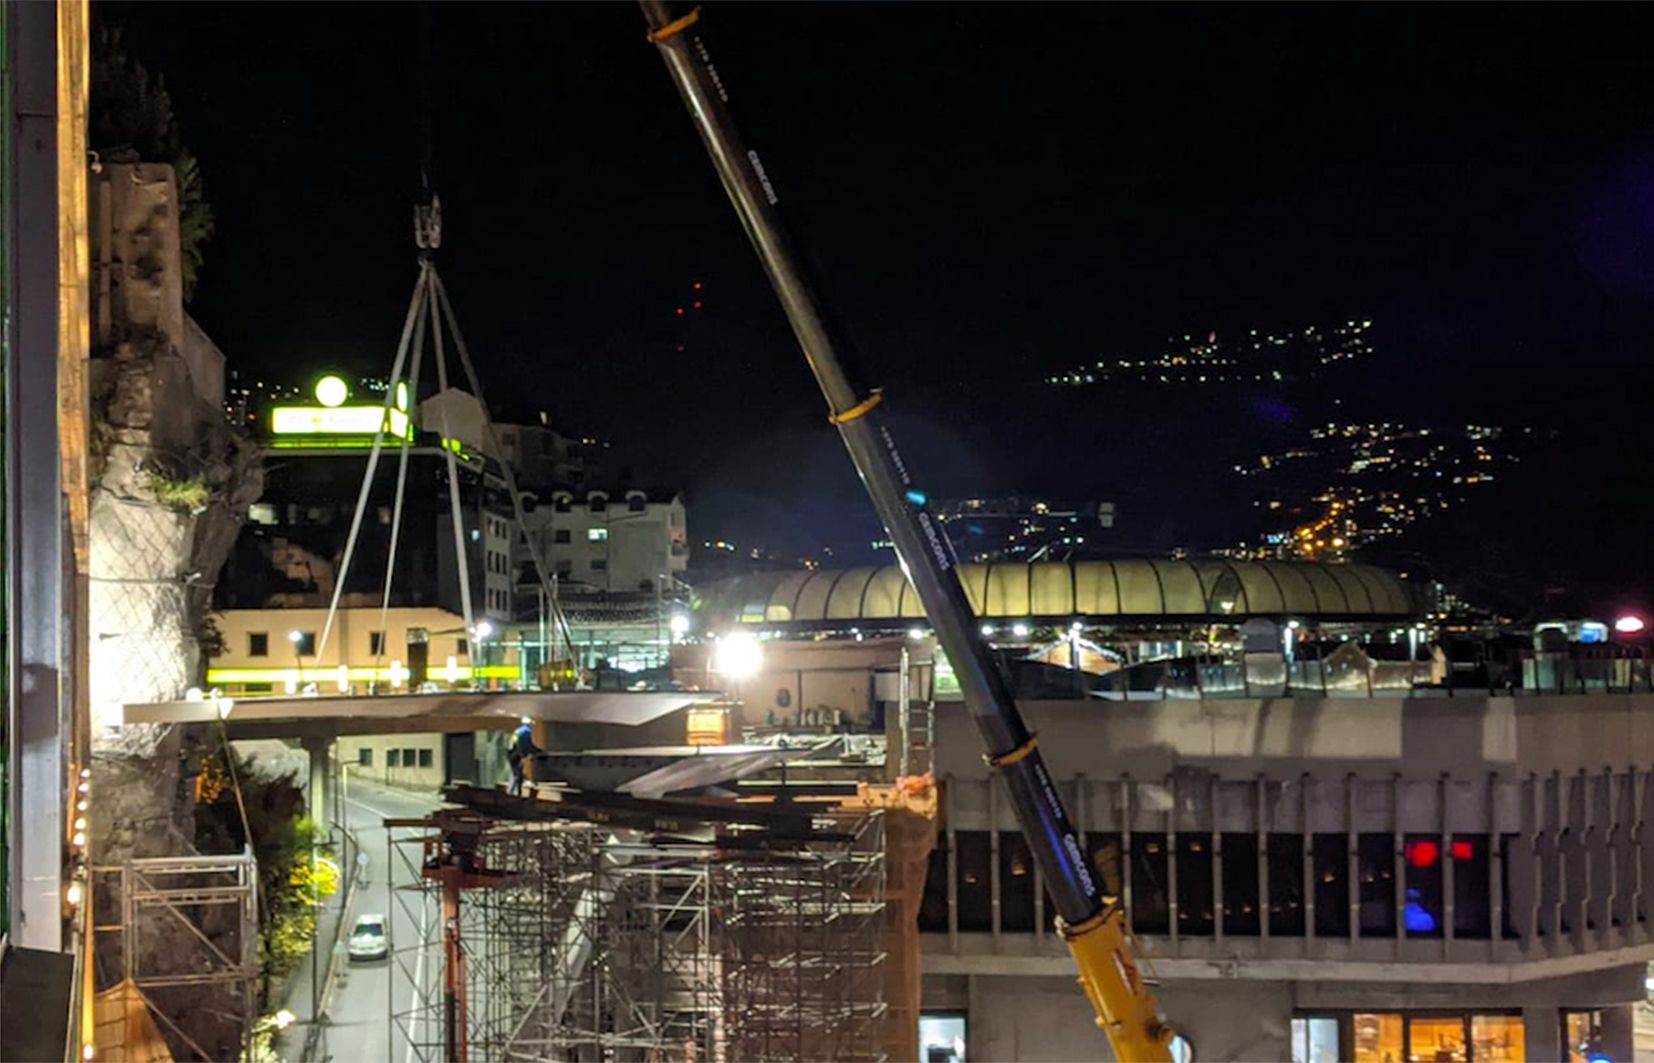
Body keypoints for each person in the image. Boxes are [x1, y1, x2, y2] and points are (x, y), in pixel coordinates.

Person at [507, 718, 541, 796]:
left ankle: (516, 792)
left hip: (512, 753)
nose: (532, 726)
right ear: (529, 724)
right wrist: (536, 751)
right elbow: (527, 745)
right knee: (517, 775)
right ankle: (512, 793)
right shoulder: (526, 731)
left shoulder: (518, 731)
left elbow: (517, 743)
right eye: (531, 724)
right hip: (517, 755)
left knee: (517, 773)